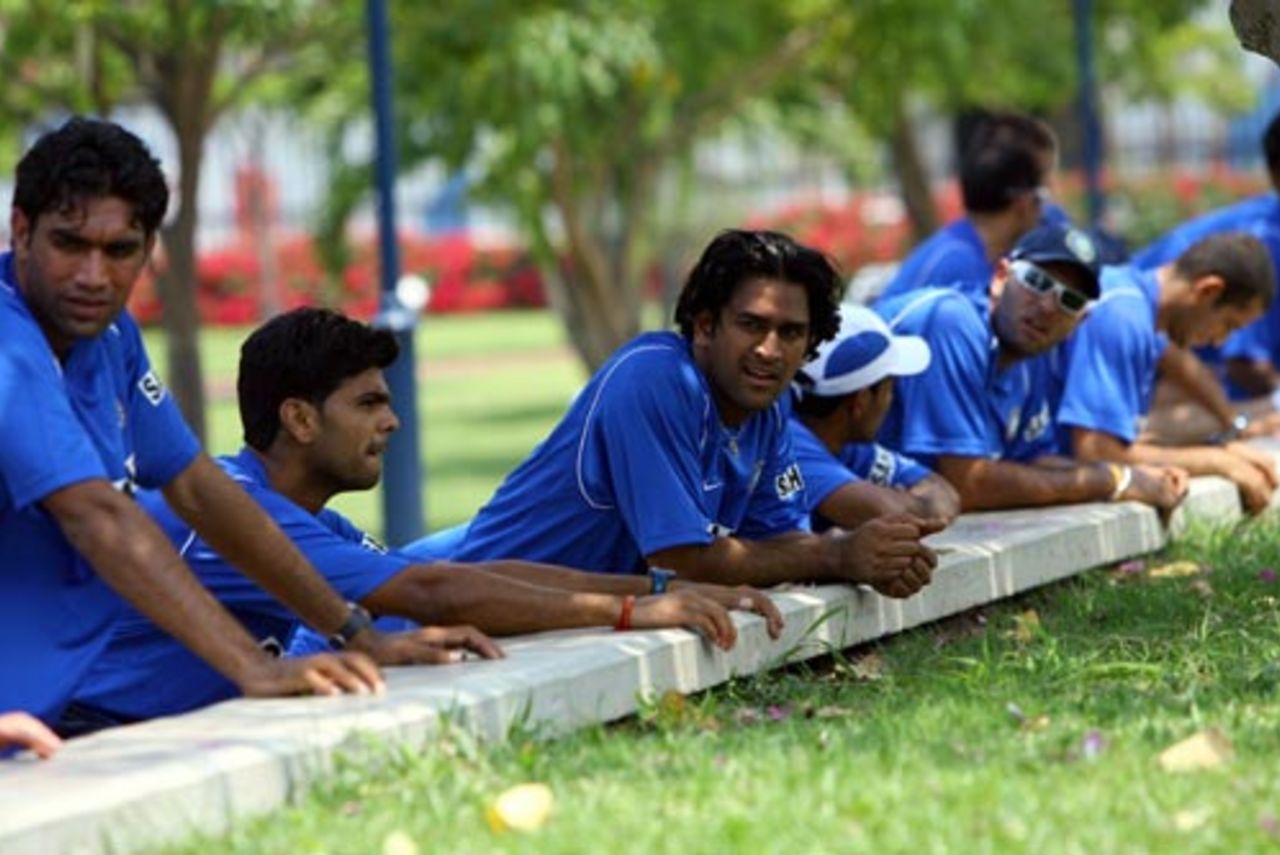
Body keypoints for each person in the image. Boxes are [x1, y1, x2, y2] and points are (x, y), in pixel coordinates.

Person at [69, 309, 783, 724]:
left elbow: (458, 573)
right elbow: (434, 592)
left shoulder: (305, 519)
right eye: (369, 404)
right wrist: (633, 612)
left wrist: (656, 591)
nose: (393, 422)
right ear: (299, 419)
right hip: (80, 742)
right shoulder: (237, 511)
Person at [0, 117, 464, 731]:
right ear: (21, 230)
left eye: (119, 251)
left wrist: (354, 632)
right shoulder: (9, 343)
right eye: (69, 244)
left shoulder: (109, 336)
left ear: (149, 248)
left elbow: (197, 486)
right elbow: (97, 516)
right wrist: (255, 668)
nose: (93, 275)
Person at [454, 229, 942, 596]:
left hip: (560, 624)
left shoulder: (767, 409)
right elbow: (680, 562)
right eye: (752, 324)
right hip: (462, 608)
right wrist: (837, 554)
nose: (770, 350)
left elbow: (783, 543)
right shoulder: (655, 378)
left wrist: (878, 558)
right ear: (705, 325)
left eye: (791, 333)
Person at [874, 223, 1188, 513]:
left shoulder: (1030, 354)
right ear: (1001, 277)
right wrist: (1111, 481)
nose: (1048, 307)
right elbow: (968, 483)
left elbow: (1032, 459)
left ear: (1081, 321)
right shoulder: (951, 322)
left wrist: (1132, 475)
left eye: (1070, 300)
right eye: (1037, 282)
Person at [1059, 233, 1280, 514]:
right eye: (1228, 324)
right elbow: (1096, 452)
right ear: (1208, 291)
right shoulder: (1123, 317)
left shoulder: (1136, 298)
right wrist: (1217, 461)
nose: (1219, 341)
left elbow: (1182, 366)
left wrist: (1227, 437)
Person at [789, 304, 961, 530]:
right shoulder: (788, 444)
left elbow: (943, 493)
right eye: (890, 387)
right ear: (860, 401)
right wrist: (904, 501)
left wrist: (904, 504)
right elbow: (887, 512)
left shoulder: (848, 447)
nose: (891, 399)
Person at [876, 137, 1046, 303]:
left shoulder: (974, 252)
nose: (1044, 209)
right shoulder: (958, 266)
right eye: (1040, 197)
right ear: (1022, 203)